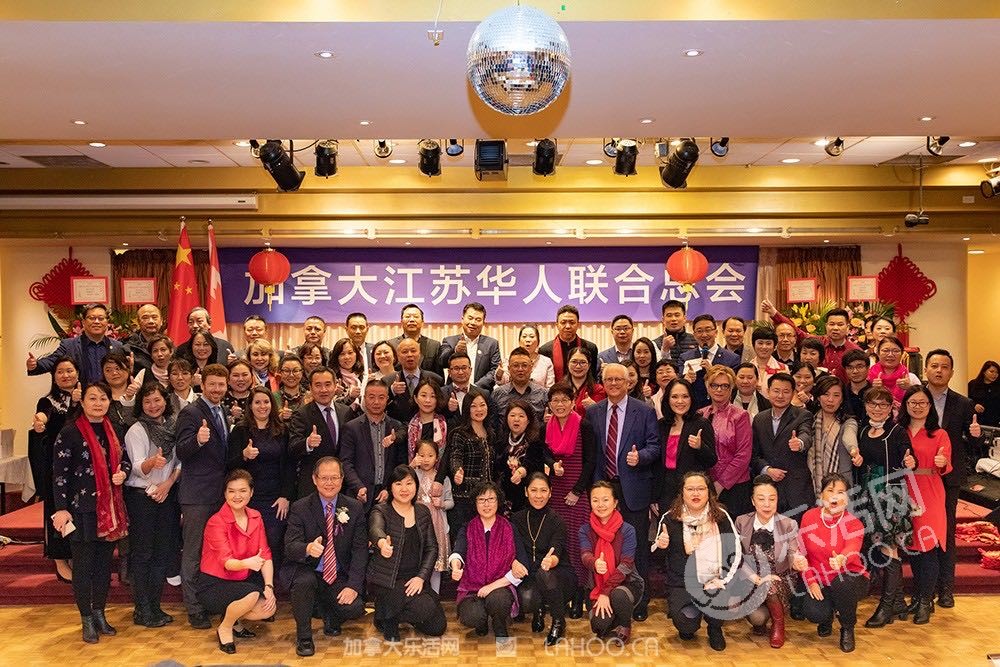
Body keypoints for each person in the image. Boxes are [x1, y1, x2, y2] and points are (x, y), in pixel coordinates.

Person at [51, 381, 130, 644]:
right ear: (82, 402)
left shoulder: (115, 429)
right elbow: (59, 475)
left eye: (103, 398)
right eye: (92, 398)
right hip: (81, 510)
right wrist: (61, 509)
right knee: (83, 567)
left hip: (109, 510)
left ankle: (99, 614)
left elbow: (125, 459)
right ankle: (86, 618)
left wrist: (123, 473)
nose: (98, 403)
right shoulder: (70, 432)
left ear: (109, 402)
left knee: (103, 566)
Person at [587, 362, 660, 621]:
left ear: (629, 382)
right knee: (605, 547)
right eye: (609, 380)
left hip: (634, 488)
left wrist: (641, 457)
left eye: (619, 379)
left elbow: (655, 445)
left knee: (636, 547)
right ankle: (605, 594)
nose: (614, 384)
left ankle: (639, 600)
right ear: (603, 383)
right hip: (604, 488)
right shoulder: (594, 412)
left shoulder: (644, 410)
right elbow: (591, 451)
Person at [284, 457, 367, 657]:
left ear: (342, 479)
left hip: (336, 573)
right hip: (309, 569)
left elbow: (360, 550)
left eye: (334, 478)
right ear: (314, 479)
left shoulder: (354, 508)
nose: (329, 483)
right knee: (304, 583)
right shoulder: (301, 507)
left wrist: (353, 586)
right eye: (324, 478)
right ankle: (304, 636)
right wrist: (307, 548)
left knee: (354, 608)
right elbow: (290, 547)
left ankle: (328, 612)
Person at [653, 471, 740, 651]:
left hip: (713, 580)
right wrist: (662, 546)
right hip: (682, 582)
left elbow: (736, 552)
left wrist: (723, 580)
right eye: (690, 489)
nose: (695, 493)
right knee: (686, 625)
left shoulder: (721, 516)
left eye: (700, 489)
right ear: (682, 492)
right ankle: (693, 618)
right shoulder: (670, 518)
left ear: (709, 492)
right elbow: (659, 559)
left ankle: (714, 628)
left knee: (718, 599)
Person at [175, 363, 231, 629]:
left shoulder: (223, 411)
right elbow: (181, 451)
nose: (217, 389)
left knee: (215, 550)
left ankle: (211, 601)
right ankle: (194, 607)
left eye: (221, 384)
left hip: (220, 494)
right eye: (212, 384)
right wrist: (197, 440)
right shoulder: (191, 412)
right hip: (197, 496)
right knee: (193, 552)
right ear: (202, 384)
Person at [924, 348, 981, 607]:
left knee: (946, 532)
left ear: (952, 372)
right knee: (922, 530)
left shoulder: (963, 403)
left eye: (944, 367)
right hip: (920, 476)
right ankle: (924, 588)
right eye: (934, 366)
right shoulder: (915, 398)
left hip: (949, 477)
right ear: (926, 369)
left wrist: (976, 435)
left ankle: (946, 589)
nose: (939, 371)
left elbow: (972, 444)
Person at [197, 469, 277, 654]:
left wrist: (269, 586)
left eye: (242, 491)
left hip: (240, 581)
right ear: (225, 494)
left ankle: (234, 620)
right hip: (213, 584)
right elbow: (227, 562)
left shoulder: (256, 516)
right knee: (251, 595)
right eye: (231, 491)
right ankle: (225, 627)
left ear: (251, 492)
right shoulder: (216, 522)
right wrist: (248, 563)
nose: (237, 496)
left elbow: (265, 554)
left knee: (267, 609)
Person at [852, 386, 912, 628]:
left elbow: (908, 457)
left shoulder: (897, 431)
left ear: (891, 408)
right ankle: (898, 602)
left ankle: (885, 608)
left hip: (889, 497)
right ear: (866, 406)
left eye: (883, 405)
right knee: (879, 547)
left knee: (889, 549)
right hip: (867, 495)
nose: (877, 409)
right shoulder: (863, 430)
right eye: (872, 404)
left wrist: (910, 460)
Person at [367, 465, 448, 642]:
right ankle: (389, 618)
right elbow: (375, 529)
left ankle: (387, 612)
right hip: (389, 580)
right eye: (398, 484)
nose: (404, 489)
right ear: (390, 487)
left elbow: (432, 548)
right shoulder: (381, 510)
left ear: (416, 486)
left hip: (414, 578)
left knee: (437, 627)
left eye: (409, 483)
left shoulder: (422, 511)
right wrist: (382, 543)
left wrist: (421, 577)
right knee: (418, 607)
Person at [123, 382, 181, 628]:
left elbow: (179, 462)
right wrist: (151, 463)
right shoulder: (136, 430)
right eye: (147, 401)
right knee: (143, 553)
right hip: (141, 497)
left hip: (165, 494)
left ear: (165, 401)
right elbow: (137, 466)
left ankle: (155, 606)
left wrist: (167, 484)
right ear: (141, 404)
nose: (153, 405)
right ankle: (142, 608)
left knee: (161, 552)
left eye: (157, 400)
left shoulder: (173, 426)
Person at [227, 386, 295, 581]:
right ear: (250, 405)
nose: (262, 406)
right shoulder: (240, 430)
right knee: (250, 542)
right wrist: (244, 455)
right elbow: (229, 466)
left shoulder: (282, 430)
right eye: (257, 402)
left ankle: (270, 585)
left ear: (272, 405)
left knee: (273, 540)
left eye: (266, 402)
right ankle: (252, 586)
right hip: (249, 499)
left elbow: (289, 465)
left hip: (276, 498)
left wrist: (286, 496)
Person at [798, 473, 869, 653]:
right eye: (830, 491)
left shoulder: (854, 523)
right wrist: (811, 580)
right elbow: (801, 554)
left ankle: (847, 627)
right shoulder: (808, 517)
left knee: (842, 583)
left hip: (851, 578)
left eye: (840, 492)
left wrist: (842, 558)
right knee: (814, 612)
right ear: (821, 494)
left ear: (847, 497)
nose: (835, 496)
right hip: (821, 579)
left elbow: (853, 547)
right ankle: (827, 617)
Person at [898, 385, 951, 623]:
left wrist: (941, 462)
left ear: (930, 406)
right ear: (905, 405)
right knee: (913, 547)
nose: (917, 407)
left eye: (922, 402)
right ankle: (918, 597)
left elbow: (946, 463)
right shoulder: (899, 431)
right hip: (904, 490)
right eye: (913, 402)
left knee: (928, 546)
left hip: (930, 490)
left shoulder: (939, 434)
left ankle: (926, 600)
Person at [735, 475, 807, 648]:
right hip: (751, 579)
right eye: (761, 499)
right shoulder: (742, 521)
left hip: (780, 578)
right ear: (753, 501)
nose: (767, 504)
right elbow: (737, 556)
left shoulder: (788, 524)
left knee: (769, 584)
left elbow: (793, 551)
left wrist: (797, 561)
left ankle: (778, 625)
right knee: (757, 618)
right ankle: (763, 616)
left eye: (772, 499)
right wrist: (754, 577)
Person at [544, 382, 596, 616]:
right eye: (555, 400)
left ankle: (578, 594)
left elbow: (591, 461)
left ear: (573, 402)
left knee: (577, 543)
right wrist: (551, 464)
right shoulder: (547, 425)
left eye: (564, 400)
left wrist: (577, 490)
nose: (560, 404)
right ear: (549, 403)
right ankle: (561, 593)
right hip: (555, 490)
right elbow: (545, 453)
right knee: (559, 542)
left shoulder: (584, 425)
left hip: (577, 491)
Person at [28, 357, 80, 581]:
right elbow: (44, 416)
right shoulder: (48, 401)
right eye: (60, 372)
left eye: (69, 371)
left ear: (78, 373)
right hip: (57, 468)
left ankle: (77, 555)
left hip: (81, 467)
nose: (65, 375)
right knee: (57, 510)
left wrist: (78, 402)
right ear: (54, 377)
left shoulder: (87, 397)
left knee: (78, 512)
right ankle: (59, 559)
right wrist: (39, 423)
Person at [510, 473, 575, 645]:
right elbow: (510, 549)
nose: (538, 496)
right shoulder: (516, 519)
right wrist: (513, 562)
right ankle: (538, 610)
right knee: (527, 595)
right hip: (529, 573)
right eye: (534, 490)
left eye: (543, 490)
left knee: (544, 574)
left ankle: (558, 622)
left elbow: (556, 551)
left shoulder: (557, 521)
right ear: (526, 492)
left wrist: (550, 561)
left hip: (557, 575)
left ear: (550, 492)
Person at [450, 481, 520, 638]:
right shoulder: (468, 528)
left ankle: (499, 623)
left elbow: (521, 566)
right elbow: (458, 552)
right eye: (481, 500)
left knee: (499, 600)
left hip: (500, 586)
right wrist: (455, 567)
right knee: (471, 615)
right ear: (475, 503)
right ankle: (481, 622)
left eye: (491, 499)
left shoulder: (509, 528)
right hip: (472, 588)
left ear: (498, 501)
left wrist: (491, 587)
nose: (486, 504)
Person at [579, 481, 643, 643]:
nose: (600, 505)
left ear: (615, 503)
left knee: (618, 595)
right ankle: (615, 616)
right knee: (599, 626)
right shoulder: (585, 530)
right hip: (597, 585)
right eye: (595, 500)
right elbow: (585, 555)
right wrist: (594, 563)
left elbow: (626, 565)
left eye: (605, 500)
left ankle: (625, 623)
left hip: (627, 584)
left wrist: (605, 592)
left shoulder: (627, 530)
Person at [750, 372, 815, 516]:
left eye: (786, 391)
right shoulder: (759, 419)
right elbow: (754, 454)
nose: (780, 396)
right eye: (776, 391)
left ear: (793, 393)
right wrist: (767, 469)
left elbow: (806, 435)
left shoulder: (803, 415)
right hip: (767, 489)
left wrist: (800, 443)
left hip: (796, 490)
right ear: (768, 392)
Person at [340, 379, 405, 511]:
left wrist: (389, 488)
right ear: (364, 398)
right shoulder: (351, 427)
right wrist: (358, 487)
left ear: (387, 399)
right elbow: (345, 462)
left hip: (388, 496)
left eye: (381, 397)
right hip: (359, 495)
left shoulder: (396, 427)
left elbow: (401, 463)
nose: (376, 402)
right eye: (371, 397)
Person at [654, 378, 718, 512]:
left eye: (685, 396)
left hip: (694, 491)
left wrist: (700, 447)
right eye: (674, 397)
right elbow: (656, 463)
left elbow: (712, 460)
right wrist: (654, 496)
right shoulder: (661, 425)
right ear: (667, 399)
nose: (680, 401)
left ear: (691, 399)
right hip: (666, 492)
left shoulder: (701, 423)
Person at [289, 367, 354, 498]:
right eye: (318, 385)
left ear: (336, 385)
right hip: (312, 485)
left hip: (341, 485)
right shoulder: (301, 414)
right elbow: (292, 448)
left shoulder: (346, 412)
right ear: (310, 388)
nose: (323, 390)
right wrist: (308, 443)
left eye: (328, 384)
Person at [700, 365, 754, 517]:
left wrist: (720, 484)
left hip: (735, 486)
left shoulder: (740, 415)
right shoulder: (700, 414)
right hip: (705, 484)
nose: (719, 390)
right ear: (707, 387)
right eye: (715, 385)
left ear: (731, 388)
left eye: (725, 386)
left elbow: (743, 455)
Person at [761, 301, 861, 383]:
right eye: (831, 324)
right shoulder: (817, 342)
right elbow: (796, 331)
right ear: (826, 326)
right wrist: (774, 313)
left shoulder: (855, 351)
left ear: (847, 327)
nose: (835, 328)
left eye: (840, 324)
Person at [27, 303, 125, 385]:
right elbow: (52, 361)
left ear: (107, 322)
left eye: (101, 318)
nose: (96, 322)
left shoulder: (117, 346)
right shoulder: (69, 345)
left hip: (109, 398)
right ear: (83, 322)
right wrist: (36, 365)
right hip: (80, 397)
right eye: (91, 318)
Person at [445, 392, 497, 543]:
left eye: (482, 405)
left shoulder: (491, 434)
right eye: (473, 406)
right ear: (467, 409)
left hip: (486, 498)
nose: (479, 409)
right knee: (463, 540)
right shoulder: (459, 434)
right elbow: (455, 457)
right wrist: (457, 471)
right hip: (465, 497)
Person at [496, 400, 551, 513]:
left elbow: (533, 464)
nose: (516, 419)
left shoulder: (535, 441)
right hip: (503, 495)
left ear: (528, 420)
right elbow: (497, 466)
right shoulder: (501, 440)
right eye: (512, 415)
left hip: (526, 497)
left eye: (521, 416)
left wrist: (521, 472)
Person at [413, 440, 453, 593]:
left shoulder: (443, 478)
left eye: (430, 455)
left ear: (437, 458)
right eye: (422, 455)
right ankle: (418, 594)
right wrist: (411, 465)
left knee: (436, 562)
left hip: (437, 523)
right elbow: (400, 481)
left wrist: (442, 504)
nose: (426, 459)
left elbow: (451, 502)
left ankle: (434, 595)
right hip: (417, 521)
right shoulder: (413, 474)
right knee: (418, 558)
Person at [809, 375, 859, 497]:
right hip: (811, 483)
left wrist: (853, 450)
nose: (830, 400)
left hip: (842, 486)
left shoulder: (848, 422)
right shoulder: (809, 421)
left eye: (836, 395)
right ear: (818, 397)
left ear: (842, 399)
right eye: (826, 394)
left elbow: (849, 436)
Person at [680, 315, 742, 408]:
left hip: (721, 409)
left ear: (716, 332)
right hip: (693, 410)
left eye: (708, 330)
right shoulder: (685, 357)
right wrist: (686, 380)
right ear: (694, 335)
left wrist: (712, 372)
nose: (704, 335)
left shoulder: (732, 358)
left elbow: (734, 387)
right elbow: (679, 387)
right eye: (699, 331)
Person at [438, 302, 502, 390]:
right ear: (462, 319)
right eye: (470, 318)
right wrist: (455, 351)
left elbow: (495, 370)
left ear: (483, 322)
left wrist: (475, 387)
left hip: (482, 392)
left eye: (478, 320)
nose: (473, 322)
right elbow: (441, 362)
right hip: (454, 392)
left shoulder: (492, 343)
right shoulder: (449, 341)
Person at [386, 337, 445, 423]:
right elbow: (381, 406)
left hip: (428, 427)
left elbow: (441, 406)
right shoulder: (387, 380)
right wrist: (392, 391)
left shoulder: (436, 379)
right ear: (398, 357)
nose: (409, 355)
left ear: (420, 354)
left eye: (413, 351)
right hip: (397, 427)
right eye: (405, 352)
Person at [539, 304, 600, 383]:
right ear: (557, 325)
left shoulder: (590, 348)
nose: (567, 326)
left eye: (572, 322)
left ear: (578, 324)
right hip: (556, 389)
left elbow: (593, 377)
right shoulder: (545, 350)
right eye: (563, 322)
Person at [490, 346, 549, 419]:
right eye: (515, 365)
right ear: (509, 369)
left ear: (531, 368)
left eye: (524, 365)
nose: (520, 369)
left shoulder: (543, 394)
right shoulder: (497, 394)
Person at [389, 304, 443, 375]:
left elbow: (439, 376)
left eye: (416, 317)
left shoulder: (434, 345)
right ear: (401, 322)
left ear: (422, 322)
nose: (411, 320)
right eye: (407, 317)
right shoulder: (391, 345)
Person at [868, 336, 921, 407]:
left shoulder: (911, 378)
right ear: (878, 353)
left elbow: (922, 402)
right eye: (885, 351)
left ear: (902, 354)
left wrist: (910, 388)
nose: (890, 355)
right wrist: (872, 389)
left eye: (896, 351)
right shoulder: (868, 377)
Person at [441, 352, 491, 426]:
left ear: (470, 370)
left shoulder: (484, 394)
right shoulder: (441, 393)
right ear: (449, 372)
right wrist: (448, 409)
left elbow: (490, 421)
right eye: (456, 368)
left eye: (464, 368)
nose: (460, 372)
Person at [406, 379, 449, 463]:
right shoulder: (409, 425)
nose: (427, 400)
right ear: (415, 398)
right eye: (423, 395)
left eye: (433, 396)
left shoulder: (445, 424)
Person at [124, 304, 164, 376]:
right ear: (138, 322)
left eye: (154, 317)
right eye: (145, 318)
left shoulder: (169, 346)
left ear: (161, 321)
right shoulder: (127, 348)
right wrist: (130, 372)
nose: (151, 321)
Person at [653, 299, 698, 364]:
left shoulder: (696, 340)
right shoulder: (655, 344)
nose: (673, 319)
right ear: (663, 320)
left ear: (684, 318)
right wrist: (665, 349)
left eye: (677, 315)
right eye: (669, 315)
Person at [567, 347, 607, 417]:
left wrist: (594, 407)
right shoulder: (559, 388)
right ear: (568, 363)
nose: (578, 366)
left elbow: (602, 417)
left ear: (589, 365)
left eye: (583, 362)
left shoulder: (598, 390)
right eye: (574, 362)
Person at [330, 337, 364, 415]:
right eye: (342, 354)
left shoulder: (362, 376)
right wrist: (350, 397)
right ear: (336, 357)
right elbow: (332, 407)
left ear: (356, 354)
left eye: (350, 353)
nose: (347, 357)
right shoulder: (332, 377)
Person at [516, 324, 555, 388]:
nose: (528, 340)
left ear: (538, 342)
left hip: (541, 394)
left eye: (531, 337)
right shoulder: (509, 359)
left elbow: (550, 388)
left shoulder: (546, 361)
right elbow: (502, 383)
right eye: (524, 336)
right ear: (519, 341)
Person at [749, 328, 788, 393]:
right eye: (760, 343)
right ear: (753, 345)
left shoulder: (783, 369)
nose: (764, 347)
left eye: (768, 343)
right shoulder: (746, 368)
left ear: (774, 346)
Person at [841, 349, 871, 420]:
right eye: (850, 368)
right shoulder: (841, 393)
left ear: (867, 368)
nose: (855, 371)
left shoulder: (876, 393)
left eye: (860, 367)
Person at [276, 354, 309, 418]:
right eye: (286, 371)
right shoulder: (272, 398)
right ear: (280, 373)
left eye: (295, 371)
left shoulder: (310, 397)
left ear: (302, 372)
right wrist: (280, 417)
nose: (291, 375)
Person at [969, 360, 1000, 426]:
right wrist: (974, 405)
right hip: (975, 422)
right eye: (991, 371)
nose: (994, 375)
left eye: (997, 373)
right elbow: (965, 400)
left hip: (994, 424)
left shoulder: (998, 386)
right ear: (984, 372)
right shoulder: (973, 384)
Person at [223, 359, 254, 423]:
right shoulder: (221, 398)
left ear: (252, 377)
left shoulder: (256, 397)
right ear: (228, 379)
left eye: (245, 375)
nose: (240, 379)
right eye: (236, 375)